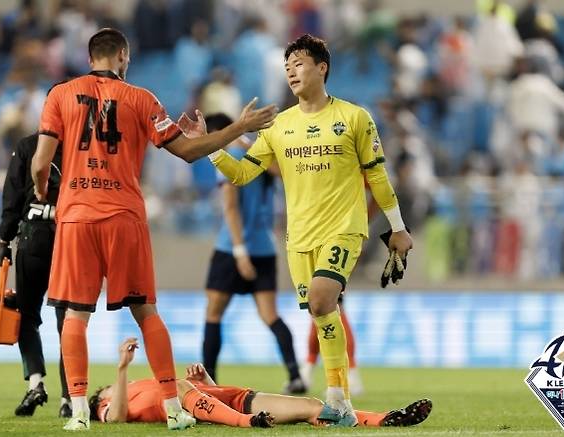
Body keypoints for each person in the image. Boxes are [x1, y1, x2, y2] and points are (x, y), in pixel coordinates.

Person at [31, 27, 277, 431]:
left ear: (91, 56)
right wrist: (238, 127)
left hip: (76, 215)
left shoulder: (59, 94)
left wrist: (46, 195)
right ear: (123, 57)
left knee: (74, 315)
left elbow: (41, 163)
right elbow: (188, 151)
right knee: (146, 312)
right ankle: (174, 408)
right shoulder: (142, 99)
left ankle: (77, 413)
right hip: (124, 217)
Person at [187, 33, 414, 426]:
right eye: (287, 66)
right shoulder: (278, 126)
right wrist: (212, 148)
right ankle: (339, 400)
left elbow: (377, 177)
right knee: (321, 315)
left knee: (325, 301)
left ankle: (335, 397)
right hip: (299, 238)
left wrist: (397, 228)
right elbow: (242, 174)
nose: (291, 71)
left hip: (344, 229)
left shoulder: (354, 118)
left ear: (321, 68)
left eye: (300, 64)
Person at [89, 338, 432, 428]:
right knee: (178, 389)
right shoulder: (109, 403)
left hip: (236, 398)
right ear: (100, 398)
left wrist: (206, 382)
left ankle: (385, 418)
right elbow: (117, 417)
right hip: (234, 412)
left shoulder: (147, 384)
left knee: (312, 407)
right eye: (105, 389)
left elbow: (207, 400)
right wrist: (120, 371)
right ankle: (248, 424)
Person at [202, 112, 304, 394]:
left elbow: (231, 207)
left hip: (232, 247)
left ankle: (208, 380)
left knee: (213, 313)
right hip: (265, 247)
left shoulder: (227, 156)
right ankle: (295, 374)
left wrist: (239, 251)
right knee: (270, 315)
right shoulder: (256, 153)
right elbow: (283, 173)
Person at [0, 131, 70, 418]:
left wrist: (4, 240)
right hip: (69, 238)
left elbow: (12, 194)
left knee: (27, 317)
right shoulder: (82, 145)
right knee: (69, 322)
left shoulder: (28, 146)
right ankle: (69, 397)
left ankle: (36, 383)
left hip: (33, 237)